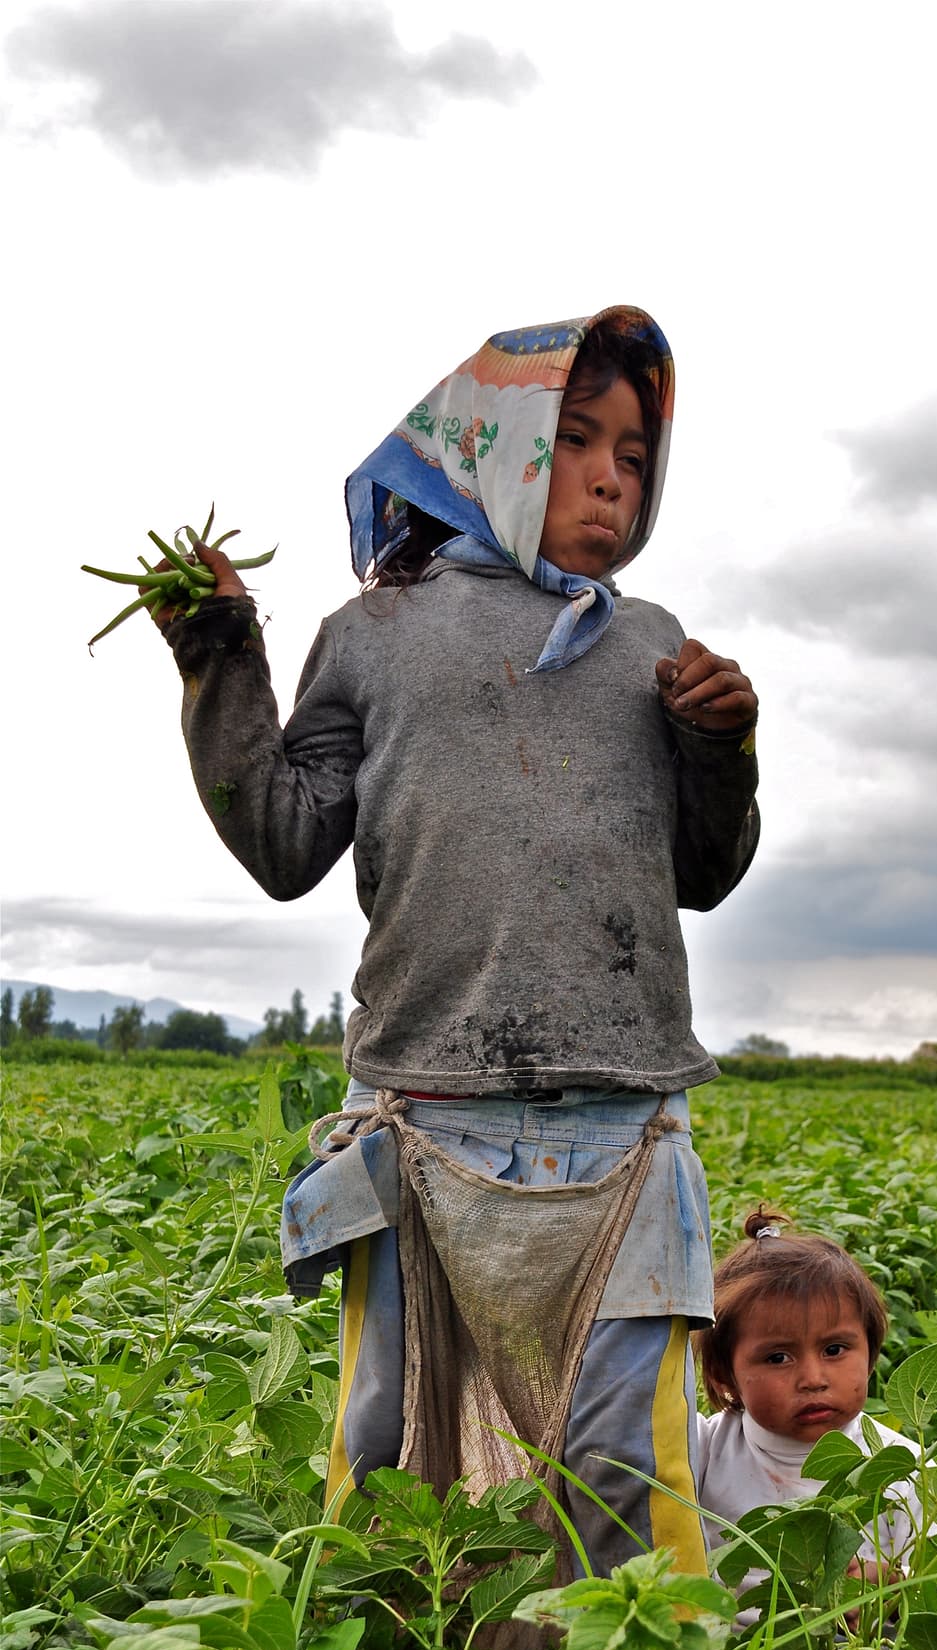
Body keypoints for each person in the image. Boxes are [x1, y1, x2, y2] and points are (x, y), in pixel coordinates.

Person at [157, 306, 760, 1581]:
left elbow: (703, 874)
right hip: (427, 1115)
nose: (611, 474)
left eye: (636, 455)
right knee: (390, 1445)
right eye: (577, 440)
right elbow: (282, 839)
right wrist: (219, 653)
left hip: (623, 1120)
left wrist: (722, 747)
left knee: (622, 1468)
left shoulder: (652, 645)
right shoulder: (374, 636)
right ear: (490, 450)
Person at [694, 1210, 937, 1606]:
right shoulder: (701, 1452)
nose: (813, 1378)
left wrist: (899, 1589)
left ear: (870, 1354)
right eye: (778, 1357)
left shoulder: (905, 1468)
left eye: (834, 1350)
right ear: (723, 1375)